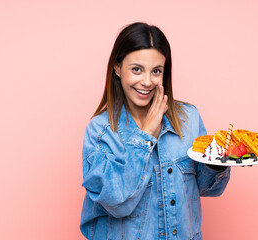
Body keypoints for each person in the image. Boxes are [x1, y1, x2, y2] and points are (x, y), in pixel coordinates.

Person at [80, 22, 231, 240]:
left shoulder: (188, 119)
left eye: (156, 71)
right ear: (117, 68)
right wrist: (147, 134)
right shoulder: (101, 132)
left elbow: (209, 189)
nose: (147, 82)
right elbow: (117, 203)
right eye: (136, 69)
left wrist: (215, 162)